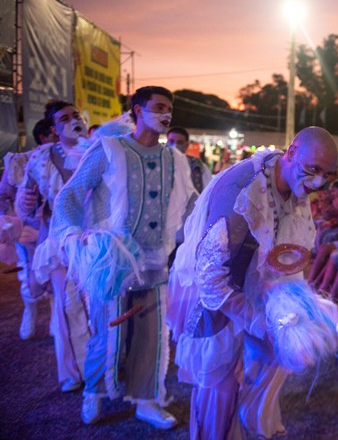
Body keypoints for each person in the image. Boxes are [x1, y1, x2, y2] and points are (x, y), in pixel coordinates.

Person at [170, 126, 338, 439]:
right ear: (291, 152)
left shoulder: (291, 178)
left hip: (254, 290)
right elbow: (210, 279)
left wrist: (298, 311)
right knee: (219, 386)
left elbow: (285, 255)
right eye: (313, 170)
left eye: (328, 175)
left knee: (259, 372)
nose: (319, 183)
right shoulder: (241, 191)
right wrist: (260, 322)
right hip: (216, 298)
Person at [50, 86, 198, 429]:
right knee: (107, 333)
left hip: (155, 263)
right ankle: (95, 392)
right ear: (137, 110)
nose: (165, 115)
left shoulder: (176, 159)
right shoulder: (108, 149)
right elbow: (70, 195)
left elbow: (191, 205)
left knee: (151, 335)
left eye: (169, 110)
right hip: (113, 263)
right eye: (159, 107)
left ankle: (146, 400)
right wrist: (73, 235)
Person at [16, 101, 91, 393]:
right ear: (54, 129)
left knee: (97, 303)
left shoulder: (102, 150)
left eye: (76, 116)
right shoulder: (42, 159)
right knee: (68, 305)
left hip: (97, 242)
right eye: (65, 119)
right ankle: (73, 372)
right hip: (60, 243)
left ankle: (98, 366)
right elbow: (25, 200)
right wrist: (25, 203)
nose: (74, 121)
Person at [0, 119, 58, 340]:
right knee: (30, 275)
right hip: (27, 232)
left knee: (57, 272)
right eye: (53, 133)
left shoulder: (68, 159)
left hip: (56, 231)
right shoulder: (21, 161)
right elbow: (3, 195)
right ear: (44, 137)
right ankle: (30, 312)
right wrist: (10, 222)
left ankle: (56, 315)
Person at [167, 126, 213, 193]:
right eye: (171, 141)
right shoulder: (160, 163)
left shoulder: (198, 166)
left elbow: (207, 192)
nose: (175, 145)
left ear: (187, 145)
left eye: (180, 142)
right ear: (167, 142)